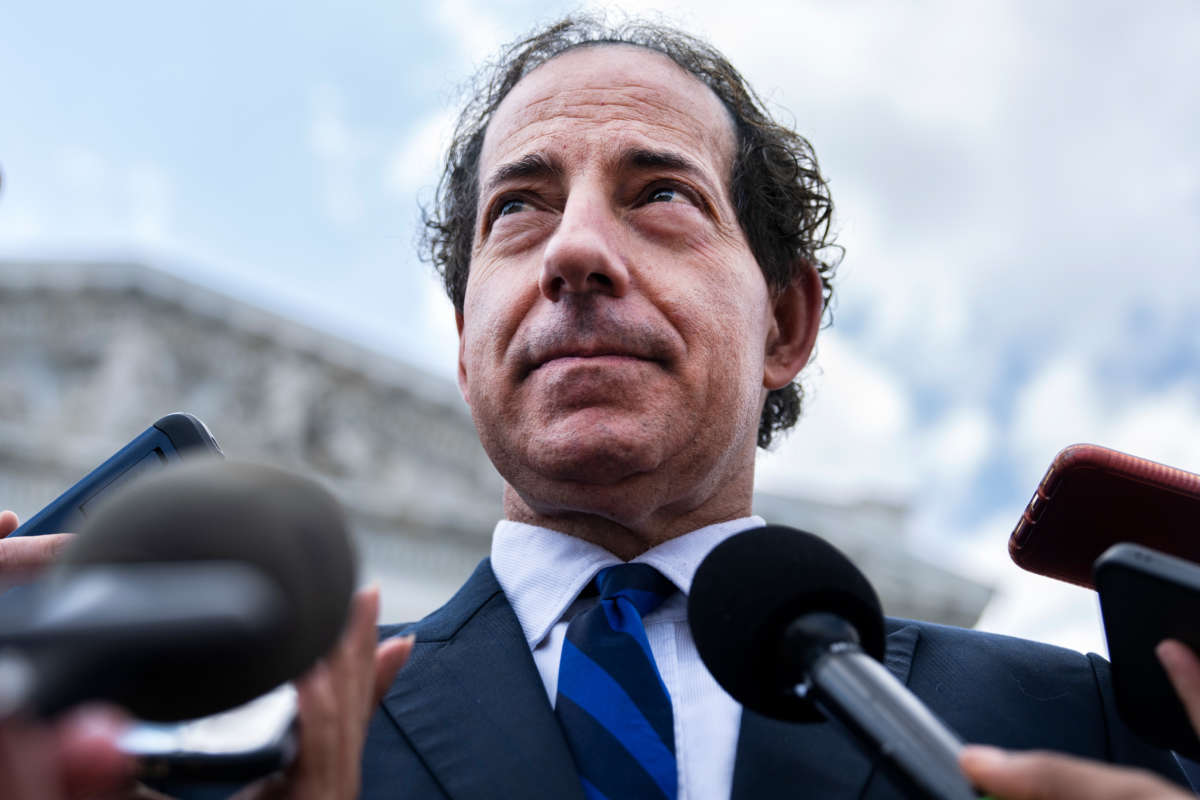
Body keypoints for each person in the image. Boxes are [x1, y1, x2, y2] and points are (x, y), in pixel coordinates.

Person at [0, 14, 1191, 800]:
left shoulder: (1085, 720)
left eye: (659, 193)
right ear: (464, 347)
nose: (574, 249)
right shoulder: (235, 748)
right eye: (516, 209)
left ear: (787, 322)